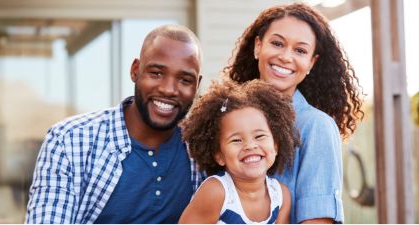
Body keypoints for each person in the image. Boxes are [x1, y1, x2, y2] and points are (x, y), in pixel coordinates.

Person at [25, 24, 204, 223]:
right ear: (135, 70)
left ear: (197, 85)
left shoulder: (204, 148)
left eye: (185, 80)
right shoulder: (69, 141)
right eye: (157, 73)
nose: (169, 89)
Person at [225, 3, 364, 223]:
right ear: (258, 46)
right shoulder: (226, 117)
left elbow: (318, 221)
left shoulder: (316, 126)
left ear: (311, 62)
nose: (286, 57)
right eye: (277, 43)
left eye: (300, 50)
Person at [178, 80, 298, 224]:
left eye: (259, 136)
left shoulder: (281, 196)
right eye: (236, 140)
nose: (250, 146)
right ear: (219, 155)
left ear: (276, 146)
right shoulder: (216, 192)